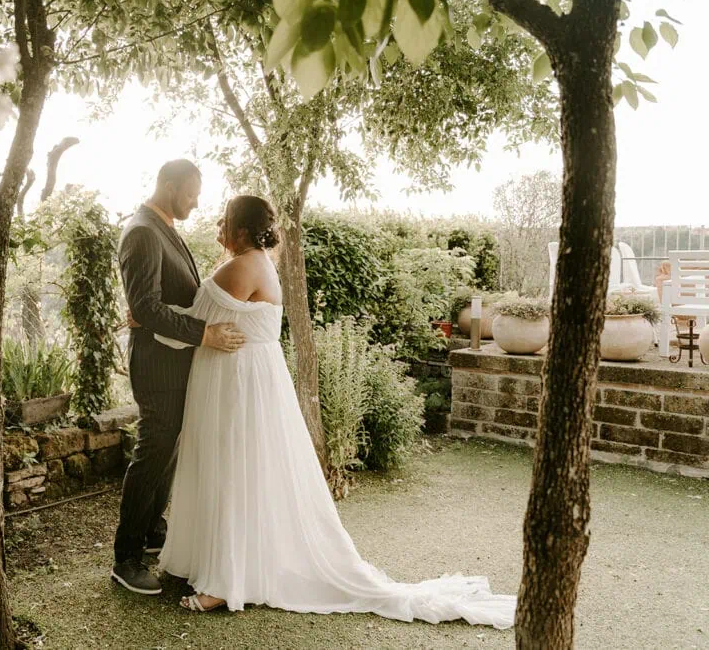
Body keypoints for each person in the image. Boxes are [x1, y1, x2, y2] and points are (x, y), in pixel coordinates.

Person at [152, 195, 516, 629]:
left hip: (237, 383)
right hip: (248, 378)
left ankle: (224, 581)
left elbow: (192, 322)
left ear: (243, 229)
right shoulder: (260, 261)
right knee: (238, 469)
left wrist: (149, 319)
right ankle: (217, 563)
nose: (217, 225)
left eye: (224, 219)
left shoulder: (241, 265)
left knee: (231, 468)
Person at [111, 159, 246, 596]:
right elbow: (147, 307)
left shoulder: (163, 227)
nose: (196, 201)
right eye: (191, 192)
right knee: (152, 453)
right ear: (168, 185)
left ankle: (151, 531)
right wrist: (204, 333)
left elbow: (167, 299)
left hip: (176, 362)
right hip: (157, 366)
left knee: (167, 452)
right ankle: (126, 558)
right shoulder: (143, 232)